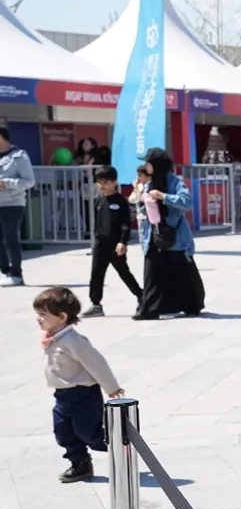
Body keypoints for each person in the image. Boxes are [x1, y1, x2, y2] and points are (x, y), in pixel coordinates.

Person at [35, 287, 125, 483]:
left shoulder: (74, 341)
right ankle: (80, 463)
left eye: (43, 314)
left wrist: (111, 387)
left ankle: (122, 448)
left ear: (62, 317)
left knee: (90, 433)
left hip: (83, 394)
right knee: (63, 432)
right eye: (38, 314)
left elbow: (96, 363)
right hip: (62, 396)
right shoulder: (53, 337)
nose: (38, 318)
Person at [134, 148, 206, 320]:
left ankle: (191, 305)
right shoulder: (150, 183)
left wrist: (164, 196)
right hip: (153, 234)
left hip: (175, 235)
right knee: (152, 272)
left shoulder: (175, 183)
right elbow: (142, 208)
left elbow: (187, 202)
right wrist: (143, 199)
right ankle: (149, 309)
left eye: (148, 163)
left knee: (182, 271)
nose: (146, 166)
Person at [84, 166, 142, 318]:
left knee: (124, 272)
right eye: (99, 182)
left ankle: (141, 296)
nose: (102, 185)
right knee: (96, 274)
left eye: (106, 182)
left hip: (115, 245)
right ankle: (96, 304)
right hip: (100, 245)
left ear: (114, 182)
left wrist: (123, 241)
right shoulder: (99, 201)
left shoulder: (121, 201)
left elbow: (126, 224)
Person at [0, 125, 36, 287]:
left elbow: (29, 181)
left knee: (10, 239)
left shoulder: (19, 156)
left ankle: (16, 274)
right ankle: (5, 271)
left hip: (12, 203)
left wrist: (6, 183)